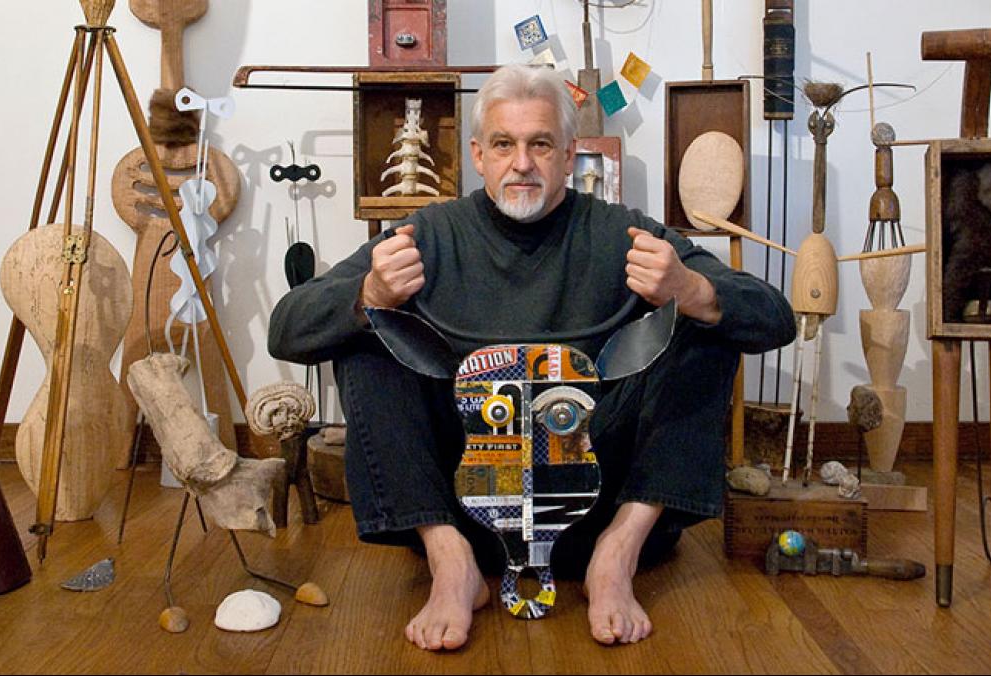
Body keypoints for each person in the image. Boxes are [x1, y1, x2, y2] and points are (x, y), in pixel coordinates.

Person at [268, 64, 794, 651]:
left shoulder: (623, 232)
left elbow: (774, 316)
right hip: (464, 507)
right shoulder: (429, 234)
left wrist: (691, 290)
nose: (522, 163)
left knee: (706, 325)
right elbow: (286, 329)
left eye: (540, 144)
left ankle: (616, 560)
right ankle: (451, 567)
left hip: (597, 502)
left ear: (569, 155)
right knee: (364, 337)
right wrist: (367, 296)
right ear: (478, 155)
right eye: (504, 144)